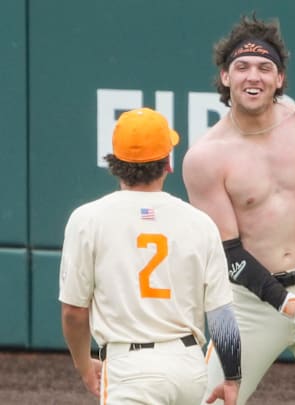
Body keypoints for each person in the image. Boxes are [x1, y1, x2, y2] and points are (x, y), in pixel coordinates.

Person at [182, 14, 295, 405]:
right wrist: (287, 304)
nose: (254, 76)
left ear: (280, 79)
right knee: (210, 401)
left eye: (265, 67)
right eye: (243, 67)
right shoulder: (205, 157)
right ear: (225, 77)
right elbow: (228, 254)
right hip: (245, 305)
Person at [59, 108, 241, 404]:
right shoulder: (200, 222)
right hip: (189, 369)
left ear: (114, 163)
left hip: (129, 370)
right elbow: (221, 314)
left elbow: (73, 312)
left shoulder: (88, 219)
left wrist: (83, 366)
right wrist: (231, 378)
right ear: (168, 163)